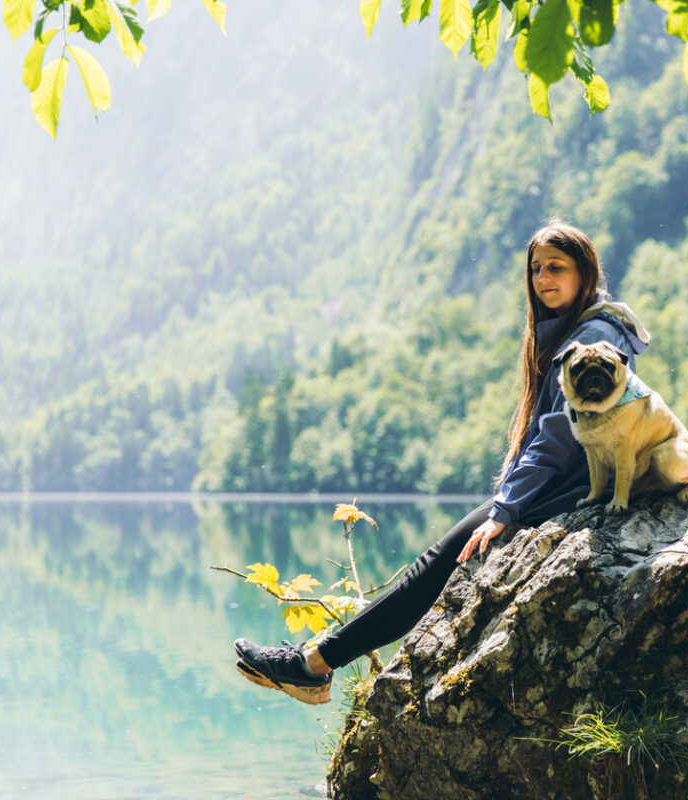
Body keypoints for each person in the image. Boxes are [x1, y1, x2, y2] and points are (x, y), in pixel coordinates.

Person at [233, 220, 651, 705]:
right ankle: (315, 664)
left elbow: (557, 440)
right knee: (436, 568)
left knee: (434, 567)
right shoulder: (580, 326)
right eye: (535, 269)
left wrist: (505, 509)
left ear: (585, 271)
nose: (542, 279)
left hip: (572, 489)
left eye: (556, 267)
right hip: (565, 485)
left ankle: (313, 665)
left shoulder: (593, 333)